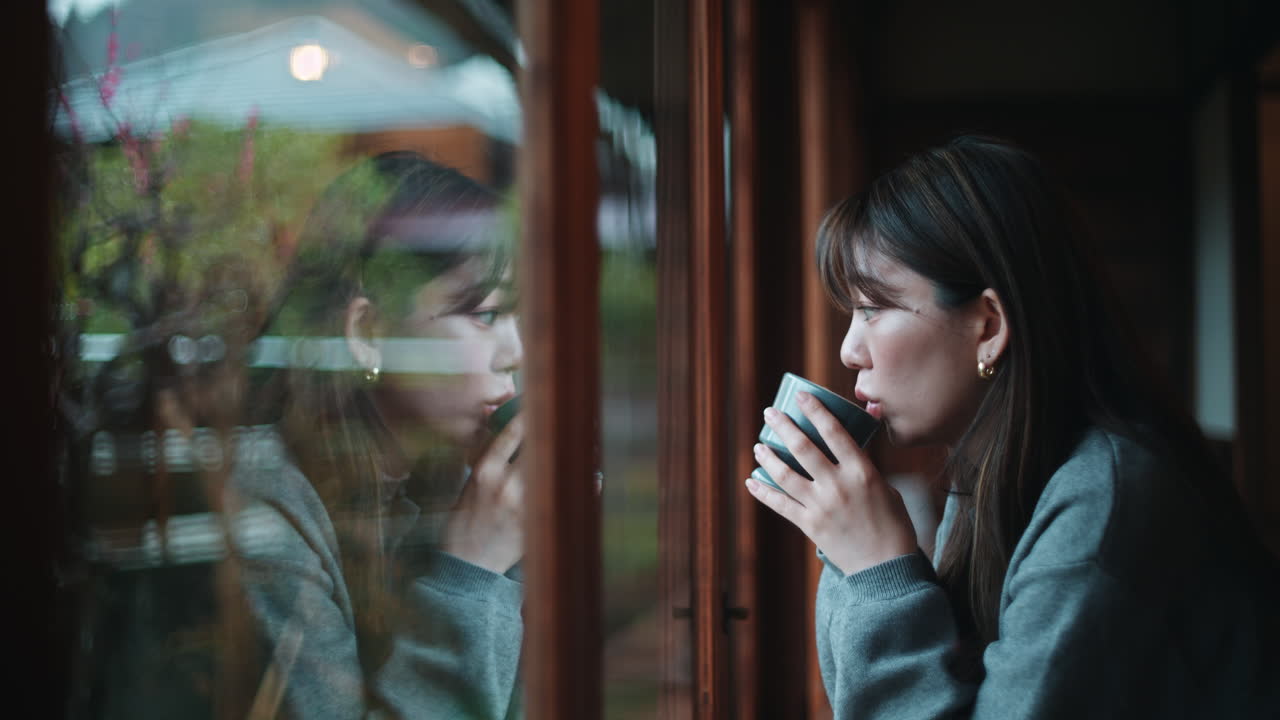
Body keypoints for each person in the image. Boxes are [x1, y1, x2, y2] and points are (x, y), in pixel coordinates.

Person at [743, 135, 1279, 718]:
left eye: (874, 308)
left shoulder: (1103, 501)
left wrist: (880, 573)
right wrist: (857, 556)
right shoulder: (992, 476)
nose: (850, 350)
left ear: (990, 326)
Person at [226, 151, 525, 719]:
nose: (517, 352)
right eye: (486, 314)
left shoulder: (441, 480)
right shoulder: (267, 507)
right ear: (366, 331)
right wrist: (474, 574)